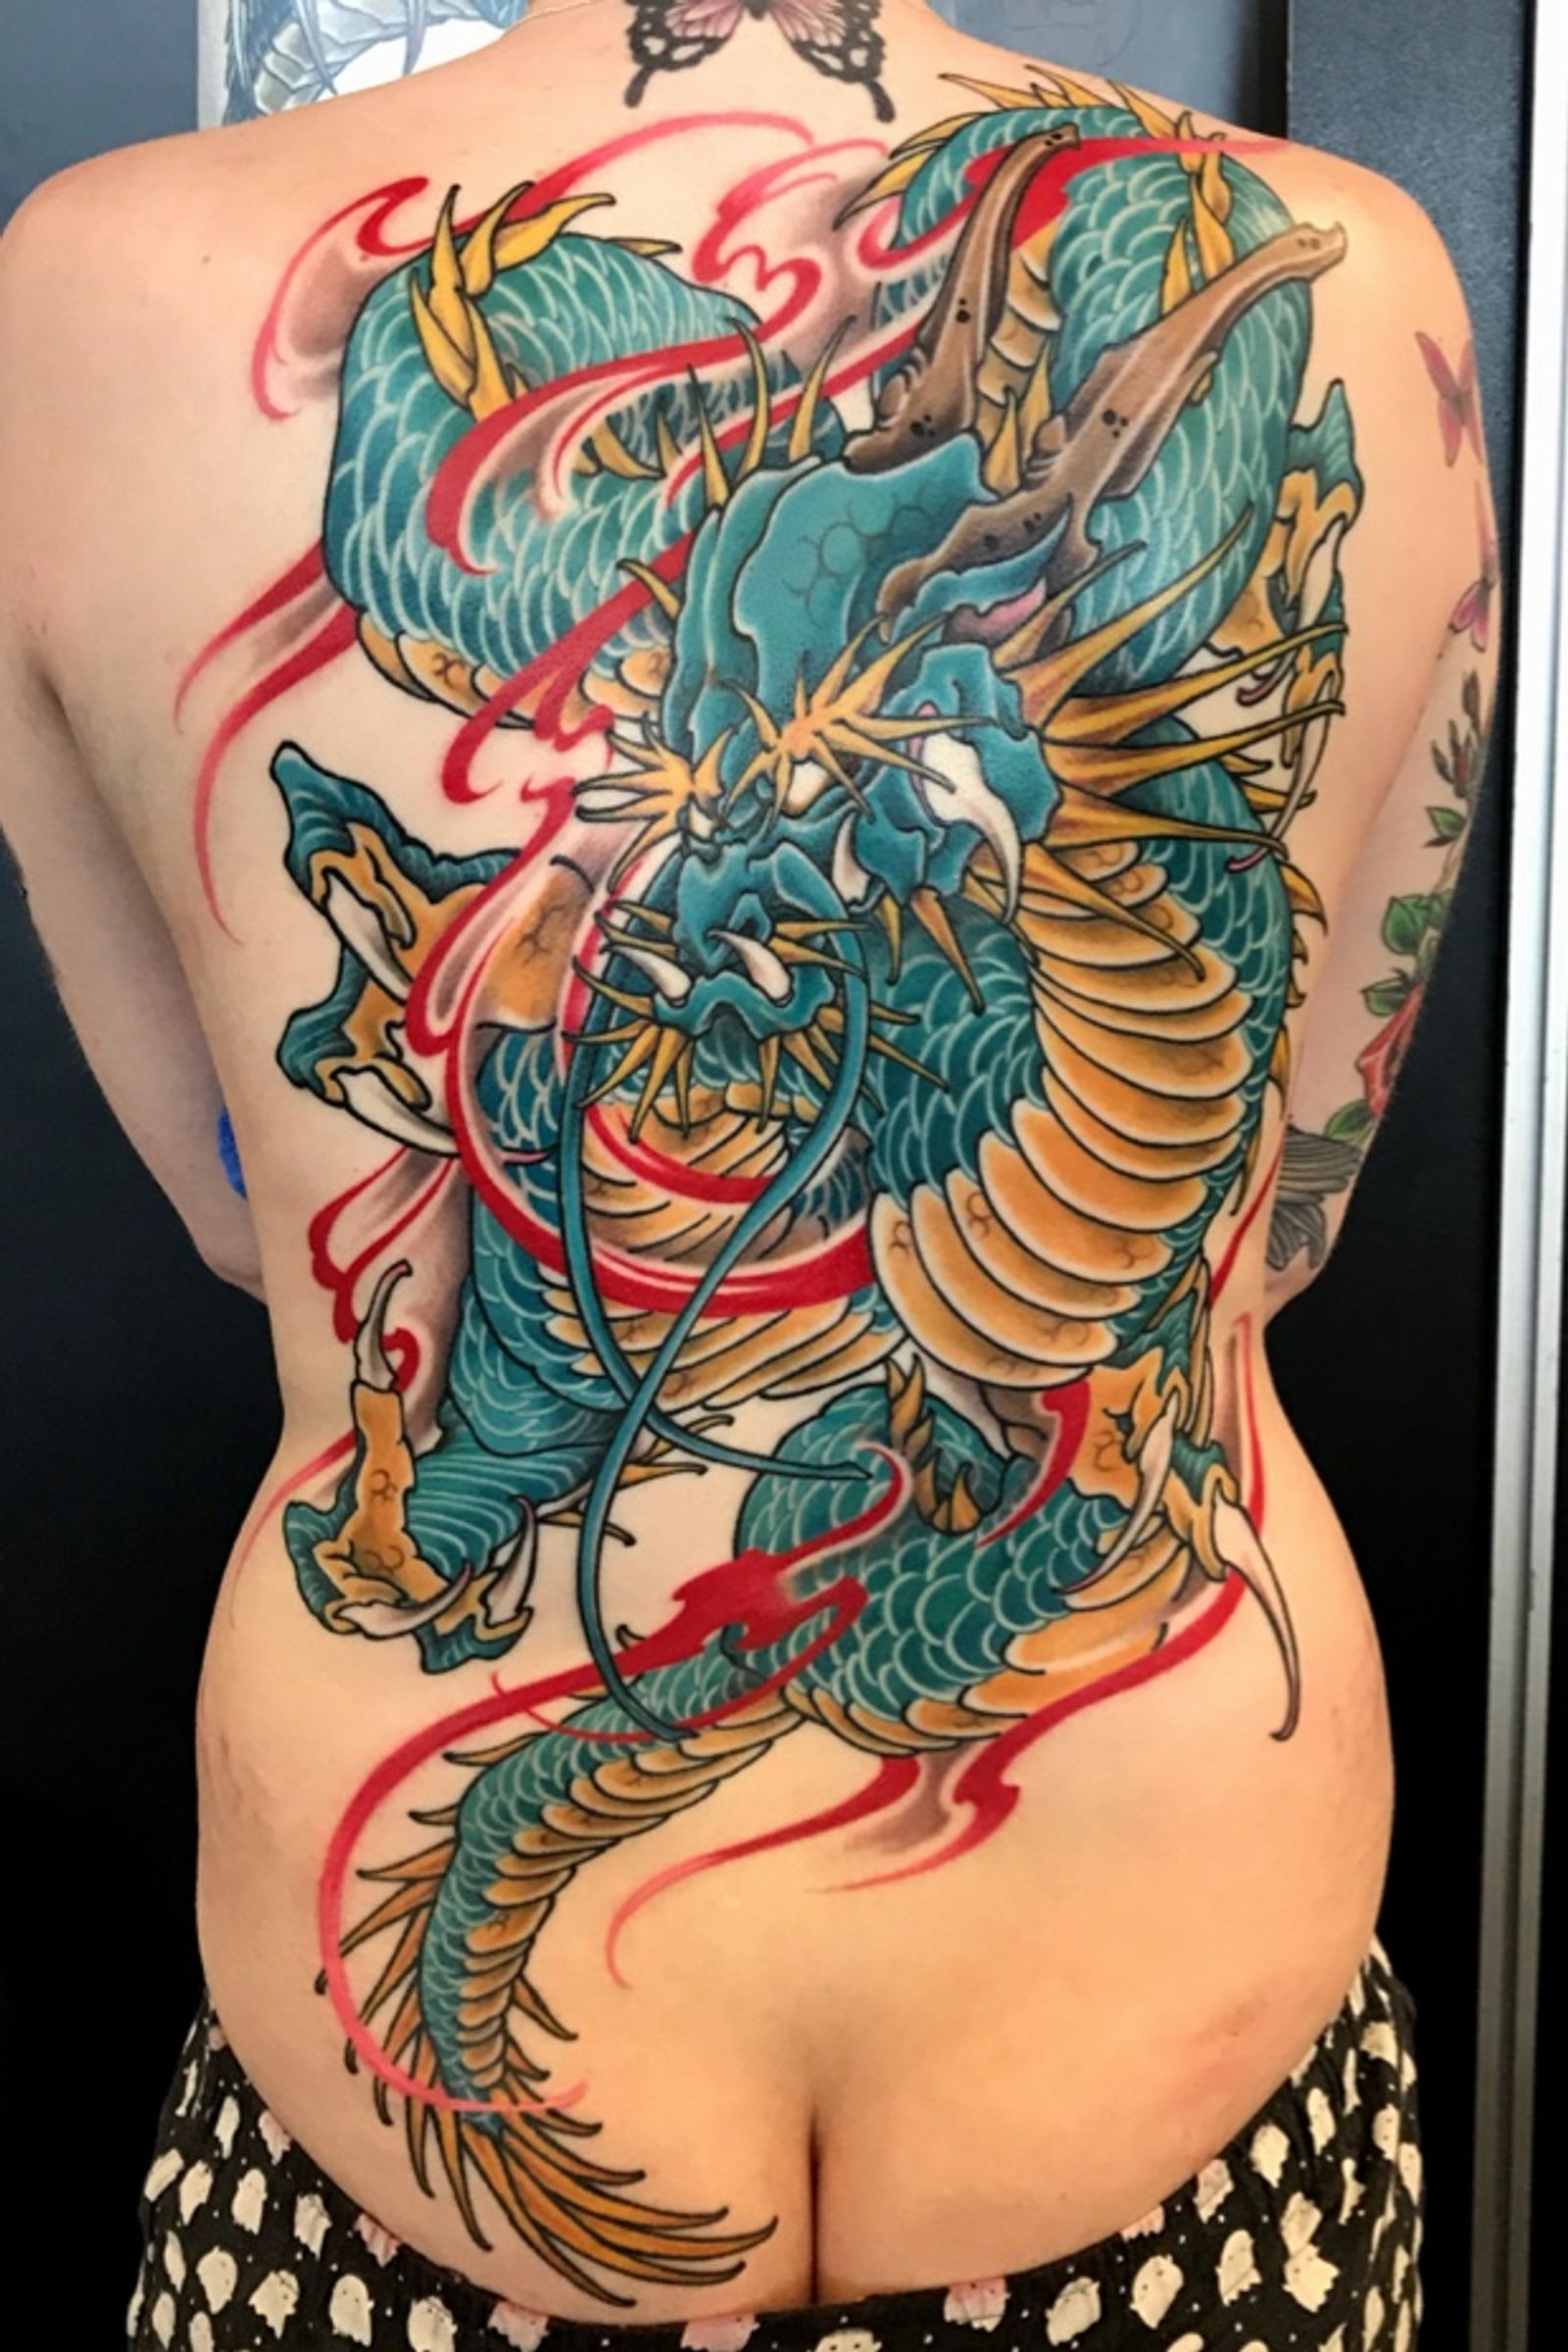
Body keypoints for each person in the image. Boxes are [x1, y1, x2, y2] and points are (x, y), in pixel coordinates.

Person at [0, 5, 1497, 2344]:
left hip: (392, 2126)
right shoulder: (1357, 266)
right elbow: (1272, 1226)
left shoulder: (86, 294)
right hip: (1174, 1970)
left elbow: (237, 1207)